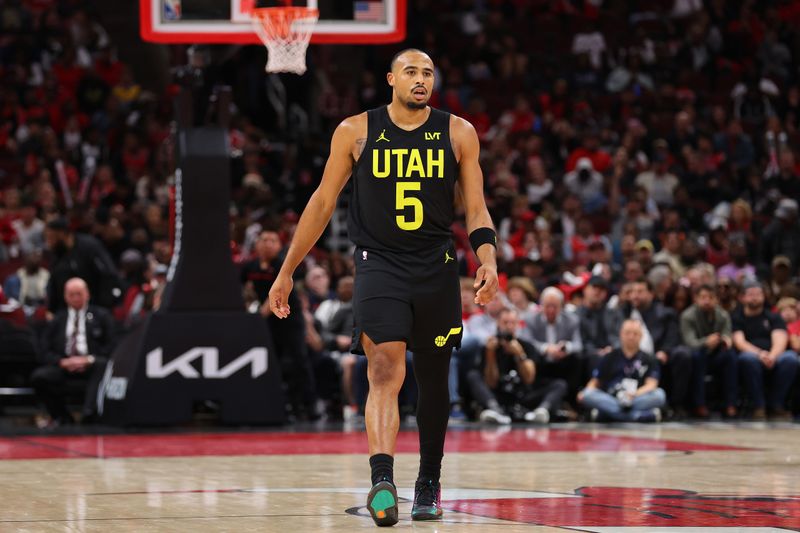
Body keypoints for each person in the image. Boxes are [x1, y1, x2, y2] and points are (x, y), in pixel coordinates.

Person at [267, 49, 498, 526]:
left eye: (428, 73)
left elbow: (476, 209)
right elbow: (322, 201)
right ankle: (382, 480)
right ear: (391, 79)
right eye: (411, 71)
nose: (421, 79)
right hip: (379, 266)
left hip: (436, 266)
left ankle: (429, 481)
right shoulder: (355, 130)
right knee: (384, 369)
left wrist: (489, 260)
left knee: (434, 381)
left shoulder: (459, 132)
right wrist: (287, 269)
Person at [241, 230, 318, 421]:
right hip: (267, 322)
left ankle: (309, 406)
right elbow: (239, 289)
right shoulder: (249, 266)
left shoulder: (283, 264)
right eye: (264, 240)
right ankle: (278, 405)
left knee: (298, 361)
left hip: (289, 319)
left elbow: (274, 297)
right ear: (257, 244)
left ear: (279, 245)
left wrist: (258, 318)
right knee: (270, 362)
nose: (268, 244)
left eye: (273, 240)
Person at [30, 278, 115, 427]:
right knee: (40, 377)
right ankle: (61, 416)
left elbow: (112, 346)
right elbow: (44, 349)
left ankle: (89, 414)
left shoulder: (102, 316)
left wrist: (88, 359)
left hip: (91, 364)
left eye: (79, 294)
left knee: (102, 365)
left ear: (87, 294)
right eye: (71, 294)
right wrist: (61, 362)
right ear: (65, 296)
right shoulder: (57, 319)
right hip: (64, 364)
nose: (76, 298)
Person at [465, 307, 567, 424]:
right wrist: (490, 355)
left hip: (524, 395)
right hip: (498, 394)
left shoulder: (527, 346)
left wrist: (519, 354)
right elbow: (491, 382)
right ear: (498, 324)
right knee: (473, 376)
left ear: (518, 324)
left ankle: (541, 411)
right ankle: (495, 410)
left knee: (559, 384)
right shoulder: (489, 347)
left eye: (512, 323)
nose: (509, 326)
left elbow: (529, 379)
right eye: (505, 323)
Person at [732, 280, 799, 420]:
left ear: (764, 296)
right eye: (750, 294)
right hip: (752, 355)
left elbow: (780, 338)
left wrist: (773, 356)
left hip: (773, 354)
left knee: (790, 358)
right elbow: (740, 342)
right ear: (743, 298)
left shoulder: (773, 317)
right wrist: (760, 354)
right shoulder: (737, 317)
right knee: (747, 359)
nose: (755, 297)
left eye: (758, 294)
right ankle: (759, 406)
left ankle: (776, 405)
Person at [578, 319, 666, 422]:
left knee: (660, 395)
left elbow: (651, 384)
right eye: (627, 333)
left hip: (635, 398)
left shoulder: (649, 358)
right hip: (611, 398)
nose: (631, 337)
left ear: (641, 336)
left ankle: (607, 415)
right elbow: (595, 382)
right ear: (621, 334)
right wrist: (585, 393)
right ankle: (637, 416)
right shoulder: (610, 356)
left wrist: (633, 395)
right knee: (587, 394)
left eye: (635, 334)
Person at [680, 284, 737, 418]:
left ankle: (730, 403)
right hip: (698, 354)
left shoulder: (723, 315)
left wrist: (725, 341)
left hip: (716, 355)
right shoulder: (688, 316)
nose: (706, 301)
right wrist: (706, 341)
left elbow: (728, 336)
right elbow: (690, 342)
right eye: (703, 297)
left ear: (716, 299)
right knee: (697, 355)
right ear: (696, 299)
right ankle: (699, 404)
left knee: (731, 356)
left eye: (710, 297)